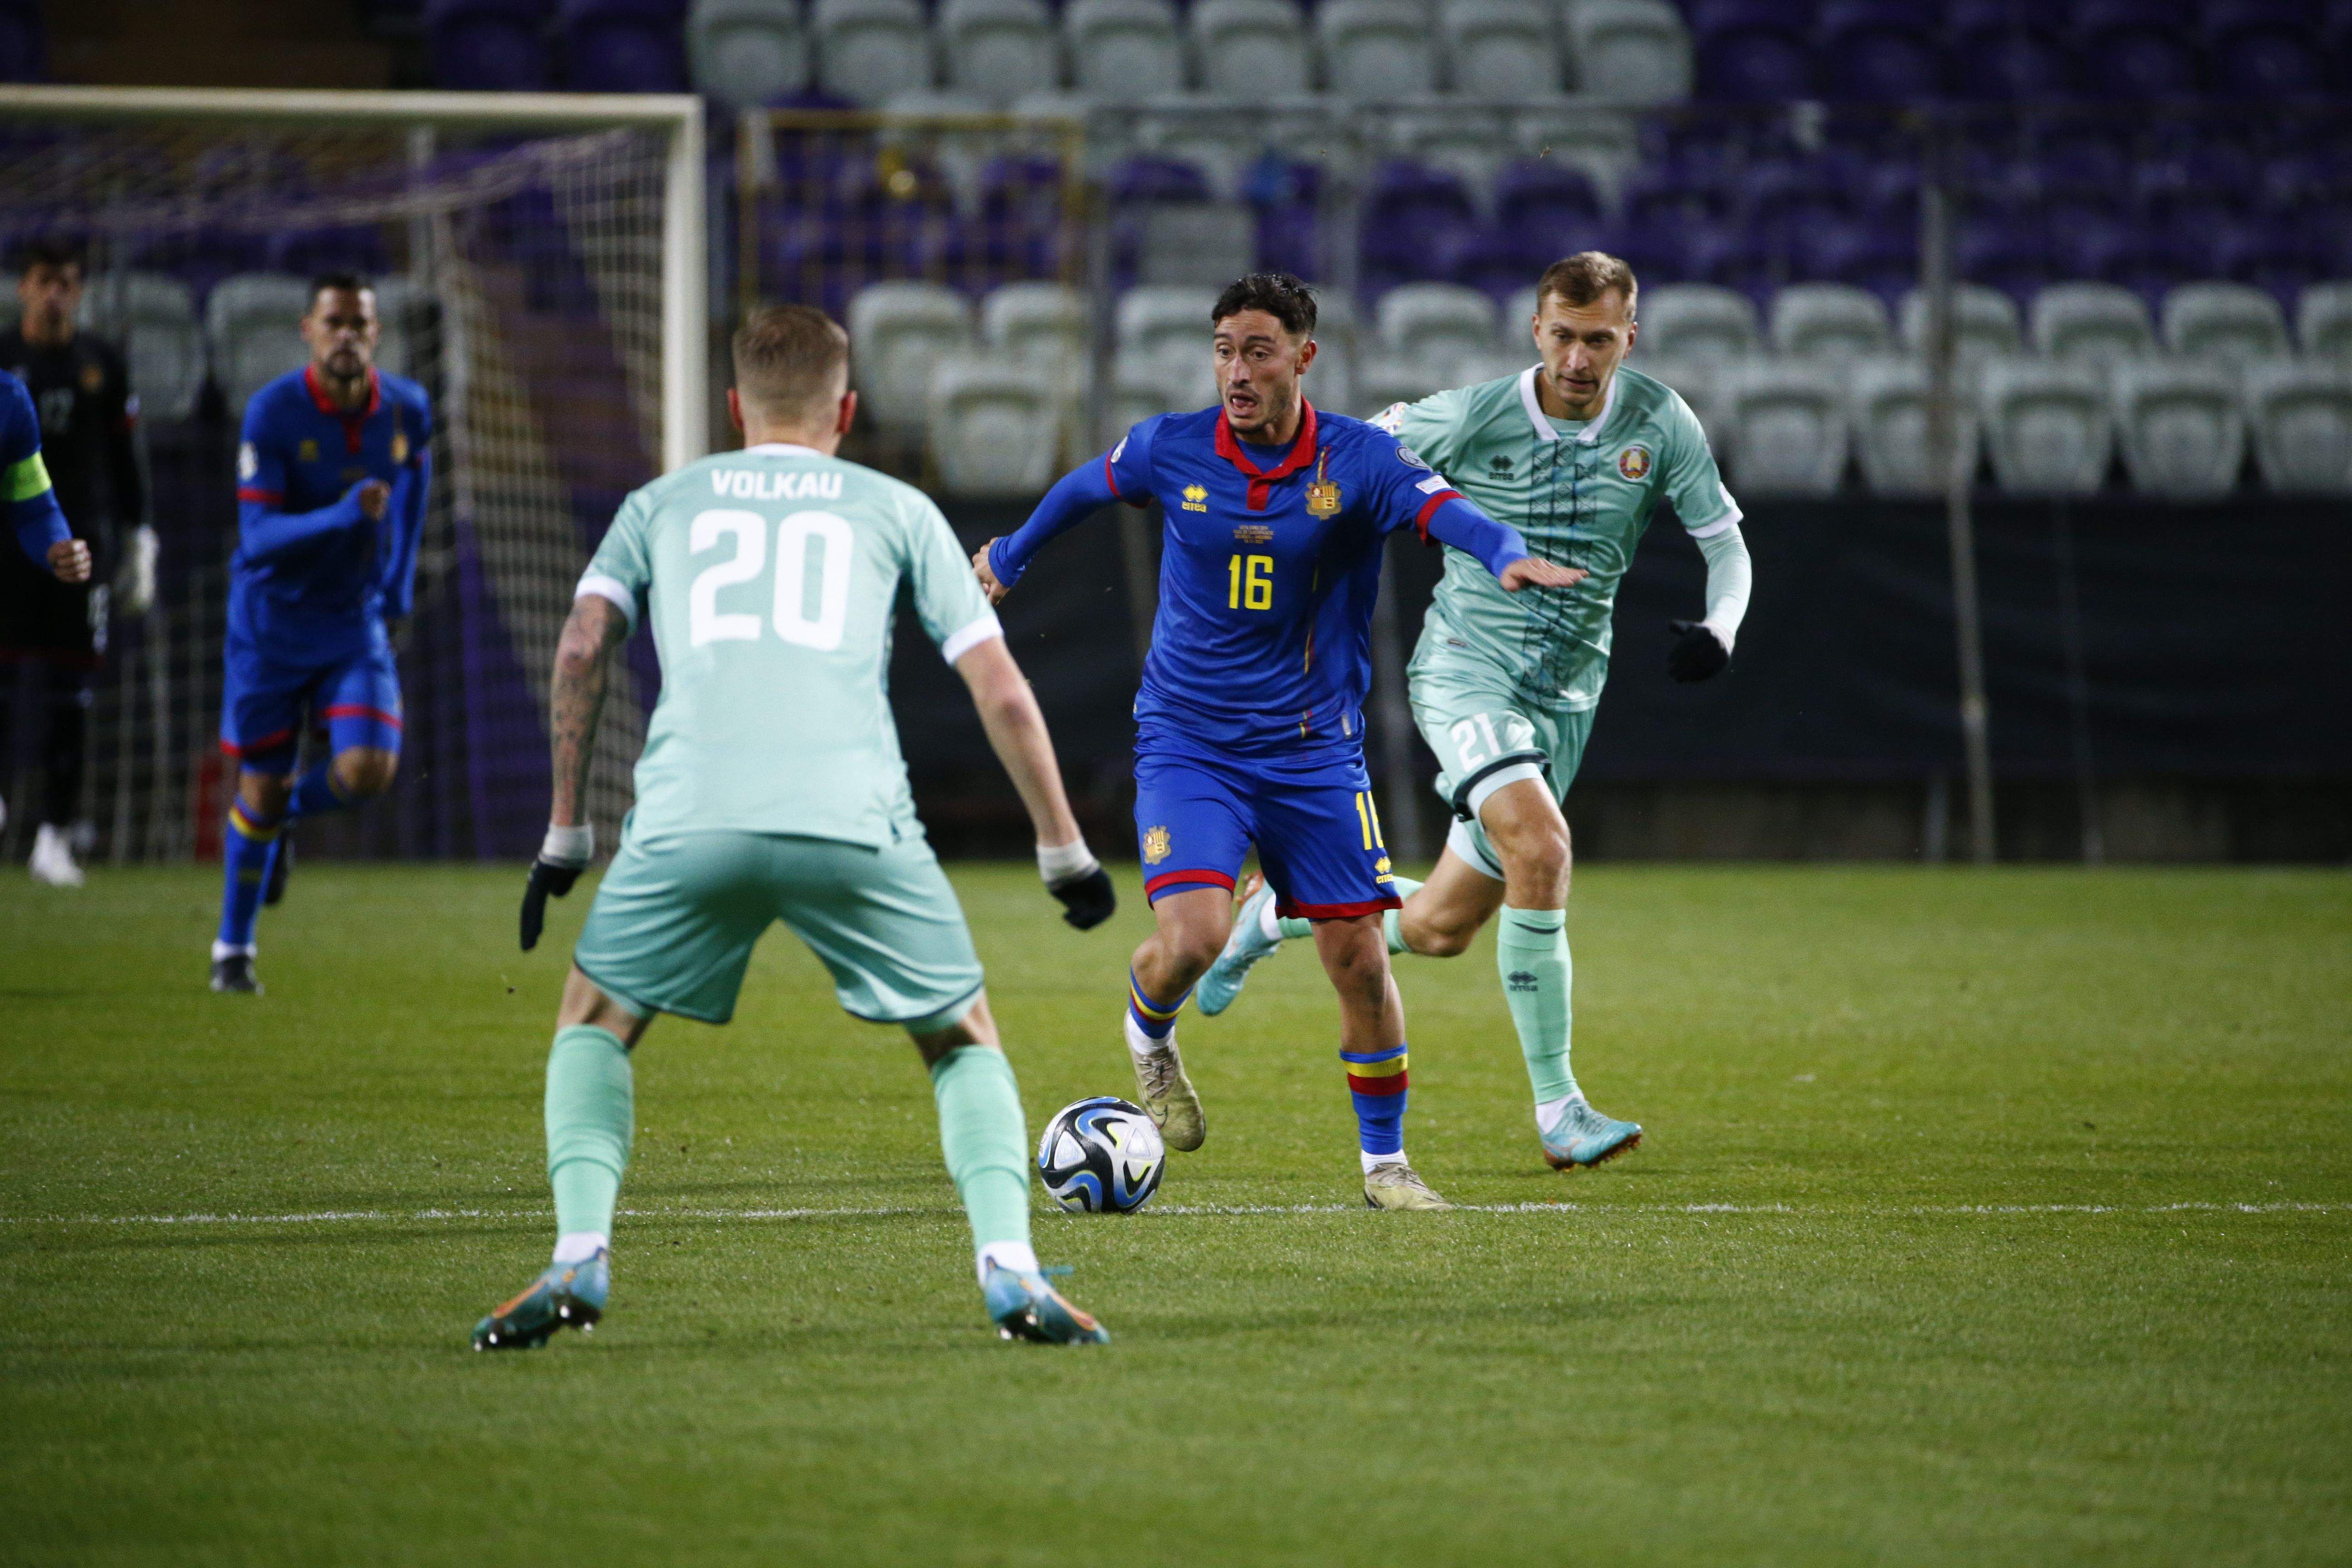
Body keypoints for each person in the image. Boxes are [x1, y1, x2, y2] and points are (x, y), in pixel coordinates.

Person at [471, 305, 1119, 1352]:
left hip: (689, 818)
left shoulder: (660, 502)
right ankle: (1010, 1271)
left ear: (733, 407)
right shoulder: (897, 507)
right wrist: (1064, 849)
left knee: (593, 1021)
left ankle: (580, 1253)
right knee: (962, 1042)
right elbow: (997, 688)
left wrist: (564, 834)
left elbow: (583, 649)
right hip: (850, 819)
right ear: (847, 410)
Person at [975, 272, 1583, 1212]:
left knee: (1360, 957)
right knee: (1195, 939)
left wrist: (1502, 552)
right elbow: (1084, 487)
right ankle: (1152, 1039)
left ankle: (1386, 1169)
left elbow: (1444, 511)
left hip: (1312, 752)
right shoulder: (1171, 448)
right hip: (1191, 743)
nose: (1237, 372)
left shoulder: (1359, 460)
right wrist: (1011, 554)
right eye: (1224, 351)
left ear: (1304, 356)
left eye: (1258, 351)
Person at [1198, 252, 1754, 1173]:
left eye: (1600, 340)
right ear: (1537, 331)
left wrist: (1723, 629)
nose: (1580, 358)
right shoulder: (1470, 415)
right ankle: (1558, 1108)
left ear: (1630, 337)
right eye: (1565, 336)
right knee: (1544, 847)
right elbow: (1344, 459)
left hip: (1566, 698)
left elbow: (1727, 547)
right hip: (1466, 672)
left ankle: (1277, 915)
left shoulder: (1662, 423)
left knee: (1439, 930)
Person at [211, 272, 431, 994]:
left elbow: (416, 476)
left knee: (371, 769)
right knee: (260, 787)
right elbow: (257, 534)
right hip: (270, 625)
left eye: (360, 325)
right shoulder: (272, 413)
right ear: (308, 329)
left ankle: (281, 824)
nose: (347, 336)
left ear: (376, 334)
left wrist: (398, 578)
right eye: (333, 322)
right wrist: (340, 515)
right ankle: (233, 953)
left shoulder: (406, 408)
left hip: (350, 620)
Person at [0, 239, 147, 886]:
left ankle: (54, 839)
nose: (55, 292)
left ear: (78, 289)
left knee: (72, 698)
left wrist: (141, 537)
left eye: (65, 281)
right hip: (6, 546)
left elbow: (124, 462)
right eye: (43, 280)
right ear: (24, 288)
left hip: (80, 546)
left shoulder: (102, 364)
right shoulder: (4, 360)